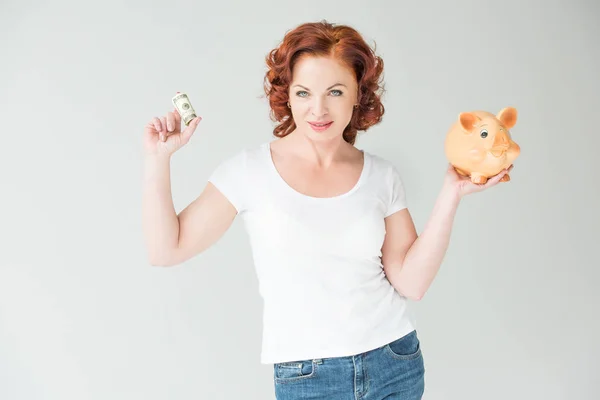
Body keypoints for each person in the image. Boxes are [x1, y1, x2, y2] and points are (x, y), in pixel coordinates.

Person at [142, 20, 512, 400]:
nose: (318, 109)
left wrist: (451, 194)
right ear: (287, 95)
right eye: (304, 93)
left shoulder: (381, 176)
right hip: (309, 377)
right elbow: (166, 250)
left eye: (335, 92)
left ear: (358, 95)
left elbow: (411, 283)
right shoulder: (248, 172)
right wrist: (159, 159)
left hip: (394, 362)